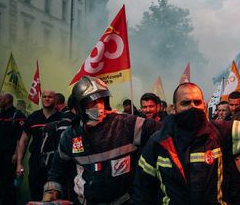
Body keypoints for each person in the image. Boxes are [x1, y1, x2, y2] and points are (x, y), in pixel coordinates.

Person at [133, 61, 240, 204]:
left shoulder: (221, 132)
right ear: (174, 108)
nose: (193, 106)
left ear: (205, 106)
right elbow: (142, 190)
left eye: (197, 102)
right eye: (186, 103)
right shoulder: (158, 141)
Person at [43, 76, 160, 204]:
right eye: (92, 102)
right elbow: (56, 170)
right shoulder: (70, 135)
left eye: (101, 100)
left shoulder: (125, 124)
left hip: (124, 201)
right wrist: (50, 193)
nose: (99, 106)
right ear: (80, 106)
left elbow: (164, 130)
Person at [16, 90, 63, 201]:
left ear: (55, 99)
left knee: (53, 194)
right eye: (44, 96)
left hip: (54, 162)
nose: (47, 99)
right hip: (36, 160)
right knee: (35, 192)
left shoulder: (61, 118)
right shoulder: (33, 117)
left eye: (50, 97)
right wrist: (19, 163)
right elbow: (23, 141)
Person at [0, 93, 26, 205]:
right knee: (0, 178)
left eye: (0, 99)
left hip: (10, 154)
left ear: (7, 100)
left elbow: (19, 138)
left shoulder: (17, 115)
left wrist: (16, 154)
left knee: (10, 182)